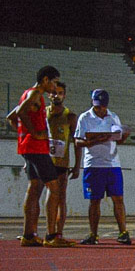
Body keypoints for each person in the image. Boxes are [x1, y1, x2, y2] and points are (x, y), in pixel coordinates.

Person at [6, 66, 68, 246]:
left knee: (34, 188)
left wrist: (25, 133)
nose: (55, 88)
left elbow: (12, 117)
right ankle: (51, 236)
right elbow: (19, 113)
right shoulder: (35, 95)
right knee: (54, 187)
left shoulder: (28, 93)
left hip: (28, 148)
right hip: (37, 148)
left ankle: (28, 234)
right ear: (46, 80)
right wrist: (34, 133)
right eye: (54, 83)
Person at [74, 89, 131, 245]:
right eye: (98, 106)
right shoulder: (85, 118)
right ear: (93, 103)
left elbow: (118, 138)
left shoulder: (113, 117)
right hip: (93, 164)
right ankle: (93, 234)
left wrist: (123, 136)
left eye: (103, 107)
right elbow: (77, 141)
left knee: (118, 198)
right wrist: (94, 141)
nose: (100, 110)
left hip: (112, 164)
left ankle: (123, 232)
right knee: (94, 200)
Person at [46, 80, 81, 244]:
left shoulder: (70, 116)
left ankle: (58, 233)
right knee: (43, 195)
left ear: (64, 95)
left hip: (61, 163)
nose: (57, 96)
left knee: (60, 198)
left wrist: (76, 165)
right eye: (54, 93)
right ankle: (49, 232)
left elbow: (76, 142)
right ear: (49, 94)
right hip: (43, 161)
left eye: (60, 93)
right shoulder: (43, 113)